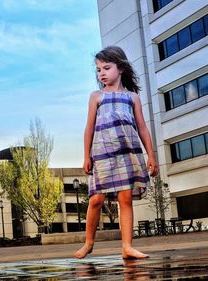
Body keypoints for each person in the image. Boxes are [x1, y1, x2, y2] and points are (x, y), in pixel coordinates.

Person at [74, 46, 158, 259]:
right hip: (102, 156)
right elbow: (89, 128)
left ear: (120, 68)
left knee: (125, 199)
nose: (101, 73)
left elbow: (142, 128)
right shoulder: (96, 96)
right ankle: (88, 243)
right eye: (98, 70)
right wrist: (86, 155)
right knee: (95, 200)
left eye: (106, 68)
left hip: (127, 155)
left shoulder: (132, 98)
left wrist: (151, 155)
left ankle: (127, 247)